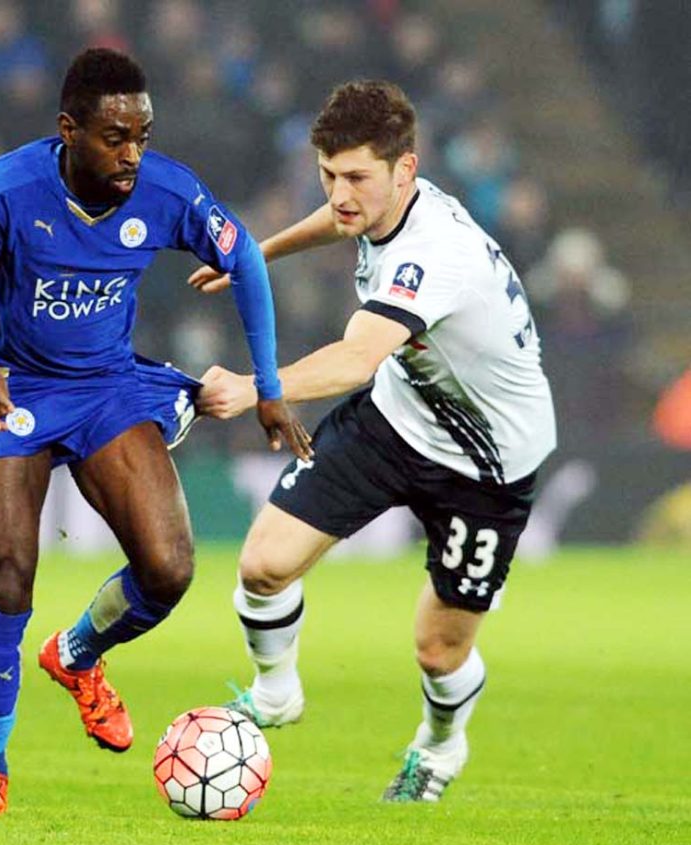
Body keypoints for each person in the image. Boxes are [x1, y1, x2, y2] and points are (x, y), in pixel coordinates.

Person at [0, 47, 310, 817]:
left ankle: (75, 655)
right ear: (69, 129)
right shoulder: (0, 192)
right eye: (115, 137)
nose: (133, 153)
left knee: (168, 568)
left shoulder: (164, 190)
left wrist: (269, 386)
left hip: (105, 388)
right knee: (7, 577)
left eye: (143, 134)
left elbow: (248, 262)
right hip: (18, 389)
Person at [190, 80, 556, 802]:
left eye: (355, 176)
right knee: (264, 564)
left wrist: (257, 386)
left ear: (404, 169)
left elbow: (356, 359)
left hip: (487, 464)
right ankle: (274, 695)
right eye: (328, 175)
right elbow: (339, 222)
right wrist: (256, 254)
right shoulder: (384, 202)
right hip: (397, 419)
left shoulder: (434, 254)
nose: (339, 192)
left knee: (438, 648)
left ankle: (441, 746)